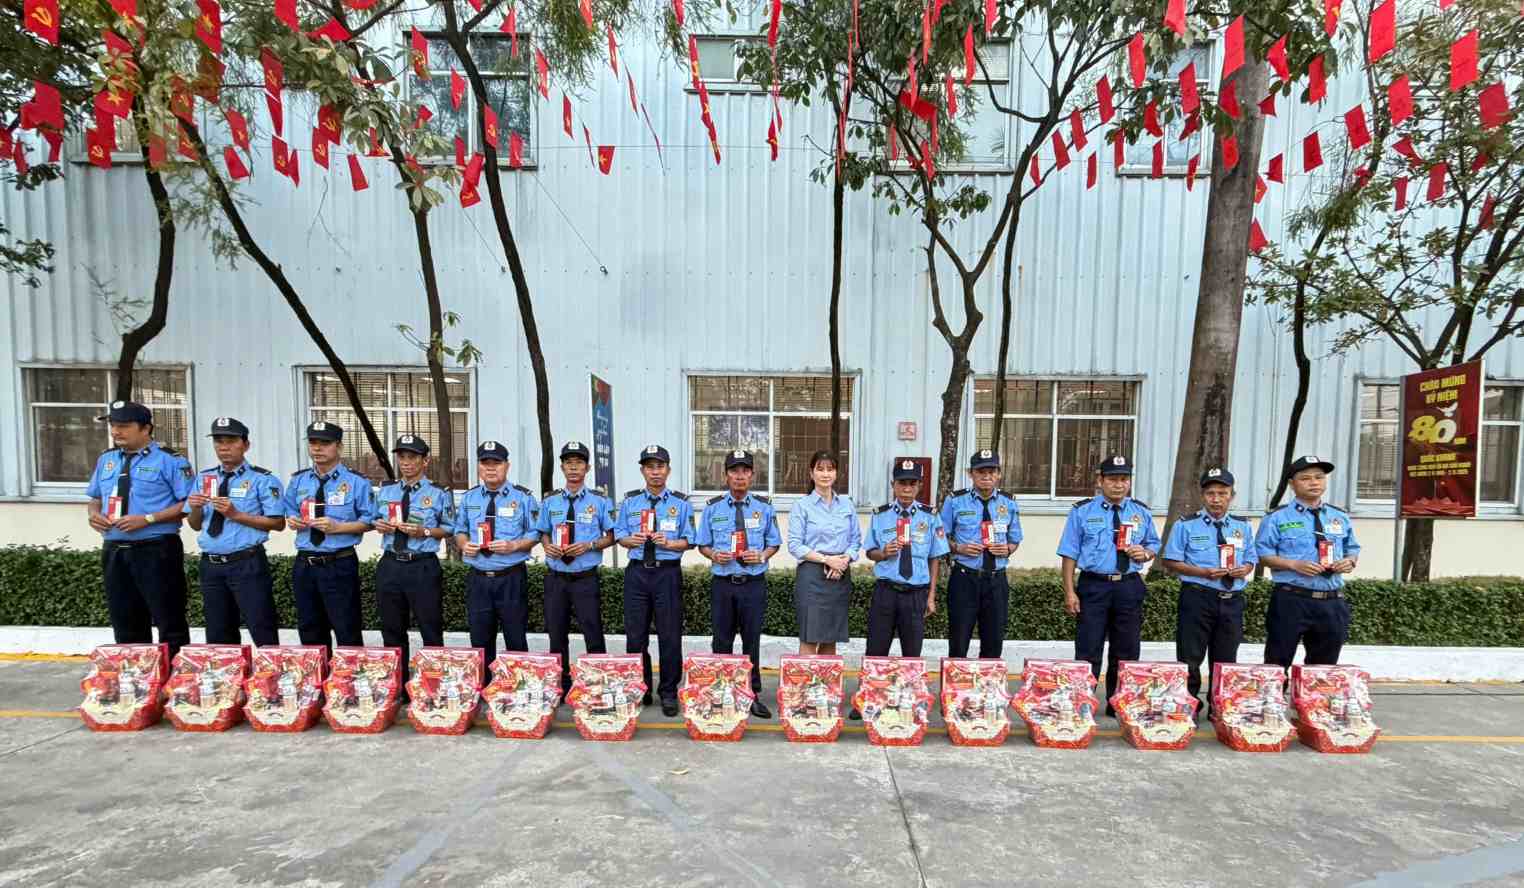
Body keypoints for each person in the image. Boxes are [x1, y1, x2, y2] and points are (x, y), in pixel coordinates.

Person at [85, 400, 193, 658]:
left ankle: (175, 684)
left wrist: (148, 519)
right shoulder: (107, 459)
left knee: (169, 618)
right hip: (115, 549)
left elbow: (188, 504)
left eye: (124, 426)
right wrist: (93, 514)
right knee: (125, 619)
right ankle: (136, 681)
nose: (116, 431)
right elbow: (95, 497)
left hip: (155, 548)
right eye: (113, 425)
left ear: (146, 428)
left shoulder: (171, 461)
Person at [1058, 454, 1160, 716]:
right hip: (1094, 586)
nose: (1118, 484)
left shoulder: (1140, 511)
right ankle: (1084, 701)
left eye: (1124, 479)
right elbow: (1069, 553)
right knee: (1088, 647)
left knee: (1126, 649)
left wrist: (1145, 554)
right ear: (1100, 480)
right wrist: (1070, 591)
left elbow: (1153, 544)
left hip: (1128, 585)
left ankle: (1119, 703)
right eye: (1113, 479)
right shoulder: (1082, 511)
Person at [1162, 466, 1258, 717]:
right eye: (1211, 493)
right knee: (1190, 656)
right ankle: (1188, 704)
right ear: (1202, 496)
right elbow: (1171, 561)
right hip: (1198, 596)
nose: (1216, 499)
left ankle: (1221, 706)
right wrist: (1203, 572)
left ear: (1231, 496)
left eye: (1222, 493)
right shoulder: (1186, 525)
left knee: (1226, 658)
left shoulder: (1243, 526)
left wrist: (1244, 569)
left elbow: (1251, 559)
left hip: (1231, 599)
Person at [184, 417, 285, 647]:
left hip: (246, 562)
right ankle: (226, 680)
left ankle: (268, 678)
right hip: (211, 564)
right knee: (218, 632)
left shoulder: (262, 479)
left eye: (231, 441)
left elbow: (278, 523)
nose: (224, 447)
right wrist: (196, 508)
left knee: (262, 627)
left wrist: (236, 514)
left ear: (245, 445)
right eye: (219, 441)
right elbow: (195, 524)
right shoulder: (204, 478)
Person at [696, 450, 781, 719]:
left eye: (745, 471)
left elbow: (774, 542)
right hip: (723, 584)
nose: (740, 476)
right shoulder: (713, 508)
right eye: (734, 471)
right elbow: (703, 544)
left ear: (752, 475)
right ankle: (722, 694)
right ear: (726, 475)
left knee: (751, 642)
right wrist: (713, 555)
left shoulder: (764, 507)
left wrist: (763, 555)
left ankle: (751, 694)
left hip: (753, 584)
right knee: (721, 641)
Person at [1255, 455, 1360, 669]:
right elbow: (1262, 555)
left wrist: (1349, 562)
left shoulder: (1339, 516)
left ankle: (1313, 703)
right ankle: (1274, 701)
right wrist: (1294, 565)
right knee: (1277, 662)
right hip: (1292, 599)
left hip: (1331, 601)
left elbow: (1352, 549)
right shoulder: (1277, 517)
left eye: (1319, 477)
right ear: (1292, 484)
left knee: (1323, 668)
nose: (1314, 482)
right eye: (1305, 478)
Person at [614, 444, 695, 716]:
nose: (655, 472)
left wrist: (670, 543)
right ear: (642, 471)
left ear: (668, 470)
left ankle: (669, 692)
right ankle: (640, 688)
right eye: (650, 467)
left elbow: (690, 541)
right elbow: (619, 535)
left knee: (670, 635)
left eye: (660, 466)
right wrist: (630, 540)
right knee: (635, 636)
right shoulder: (630, 502)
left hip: (667, 573)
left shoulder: (681, 504)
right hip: (637, 571)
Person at [281, 421, 375, 653]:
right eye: (313, 443)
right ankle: (316, 684)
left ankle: (347, 685)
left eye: (325, 443)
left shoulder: (356, 482)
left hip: (338, 563)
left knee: (347, 628)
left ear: (339, 447)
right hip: (305, 563)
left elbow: (371, 521)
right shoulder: (298, 480)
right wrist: (292, 520)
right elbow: (289, 508)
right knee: (310, 629)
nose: (318, 449)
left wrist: (338, 528)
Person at [536, 441, 616, 694]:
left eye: (578, 462)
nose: (573, 467)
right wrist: (547, 546)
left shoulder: (600, 501)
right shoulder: (550, 502)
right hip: (556, 577)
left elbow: (611, 536)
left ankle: (597, 684)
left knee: (593, 633)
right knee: (556, 634)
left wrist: (590, 545)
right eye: (569, 462)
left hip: (585, 578)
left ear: (587, 467)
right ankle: (561, 685)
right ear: (562, 467)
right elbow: (544, 533)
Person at [452, 440, 539, 670]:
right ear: (479, 467)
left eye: (496, 463)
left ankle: (517, 691)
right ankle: (483, 690)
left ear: (507, 466)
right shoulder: (469, 498)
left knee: (516, 639)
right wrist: (464, 544)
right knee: (480, 640)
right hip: (478, 578)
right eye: (485, 463)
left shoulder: (523, 498)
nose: (491, 468)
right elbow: (459, 530)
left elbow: (535, 533)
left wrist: (514, 545)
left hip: (510, 577)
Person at [372, 434, 454, 674]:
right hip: (390, 564)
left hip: (422, 566)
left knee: (430, 627)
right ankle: (396, 687)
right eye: (402, 457)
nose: (406, 462)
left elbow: (449, 528)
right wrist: (380, 524)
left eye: (412, 457)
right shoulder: (386, 490)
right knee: (391, 628)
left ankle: (432, 684)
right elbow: (374, 518)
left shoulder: (439, 493)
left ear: (425, 461)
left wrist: (424, 531)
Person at [940, 449, 1023, 659]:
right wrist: (959, 548)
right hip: (964, 578)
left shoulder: (1009, 502)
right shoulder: (955, 501)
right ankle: (956, 690)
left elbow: (1015, 539)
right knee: (959, 640)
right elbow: (939, 537)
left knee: (993, 642)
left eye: (991, 471)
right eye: (981, 472)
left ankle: (989, 691)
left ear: (999, 474)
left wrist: (1008, 549)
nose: (986, 476)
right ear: (971, 474)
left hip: (996, 580)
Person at [863, 460, 948, 663]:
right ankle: (875, 692)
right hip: (886, 591)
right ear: (893, 484)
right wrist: (883, 553)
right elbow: (869, 551)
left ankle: (910, 694)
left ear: (919, 486)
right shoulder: (880, 515)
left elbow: (934, 557)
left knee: (912, 655)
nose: (906, 488)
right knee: (876, 651)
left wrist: (931, 596)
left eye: (912, 483)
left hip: (915, 593)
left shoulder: (930, 517)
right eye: (902, 483)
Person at [786, 449, 860, 657]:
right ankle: (804, 687)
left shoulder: (847, 505)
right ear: (812, 473)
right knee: (810, 637)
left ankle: (827, 688)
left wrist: (843, 561)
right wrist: (828, 560)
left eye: (830, 469)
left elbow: (856, 541)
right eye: (820, 469)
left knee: (831, 636)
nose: (825, 474)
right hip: (812, 575)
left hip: (839, 576)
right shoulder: (802, 506)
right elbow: (795, 545)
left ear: (836, 474)